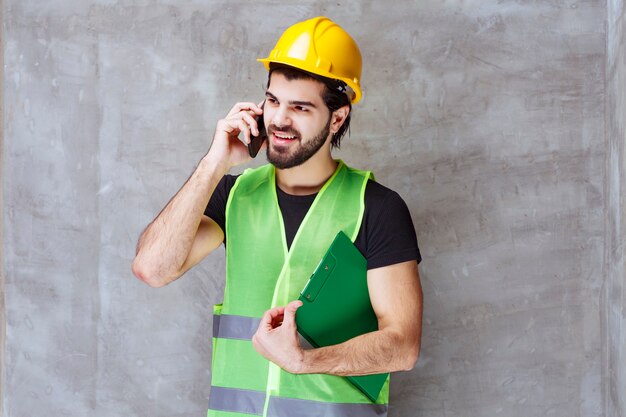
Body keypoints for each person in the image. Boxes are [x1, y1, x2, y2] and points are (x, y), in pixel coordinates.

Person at [132, 16, 423, 417]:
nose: (279, 120)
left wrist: (305, 361)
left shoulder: (376, 208)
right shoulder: (234, 196)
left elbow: (403, 346)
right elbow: (152, 269)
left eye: (300, 107)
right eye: (272, 100)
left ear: (337, 117)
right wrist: (215, 163)